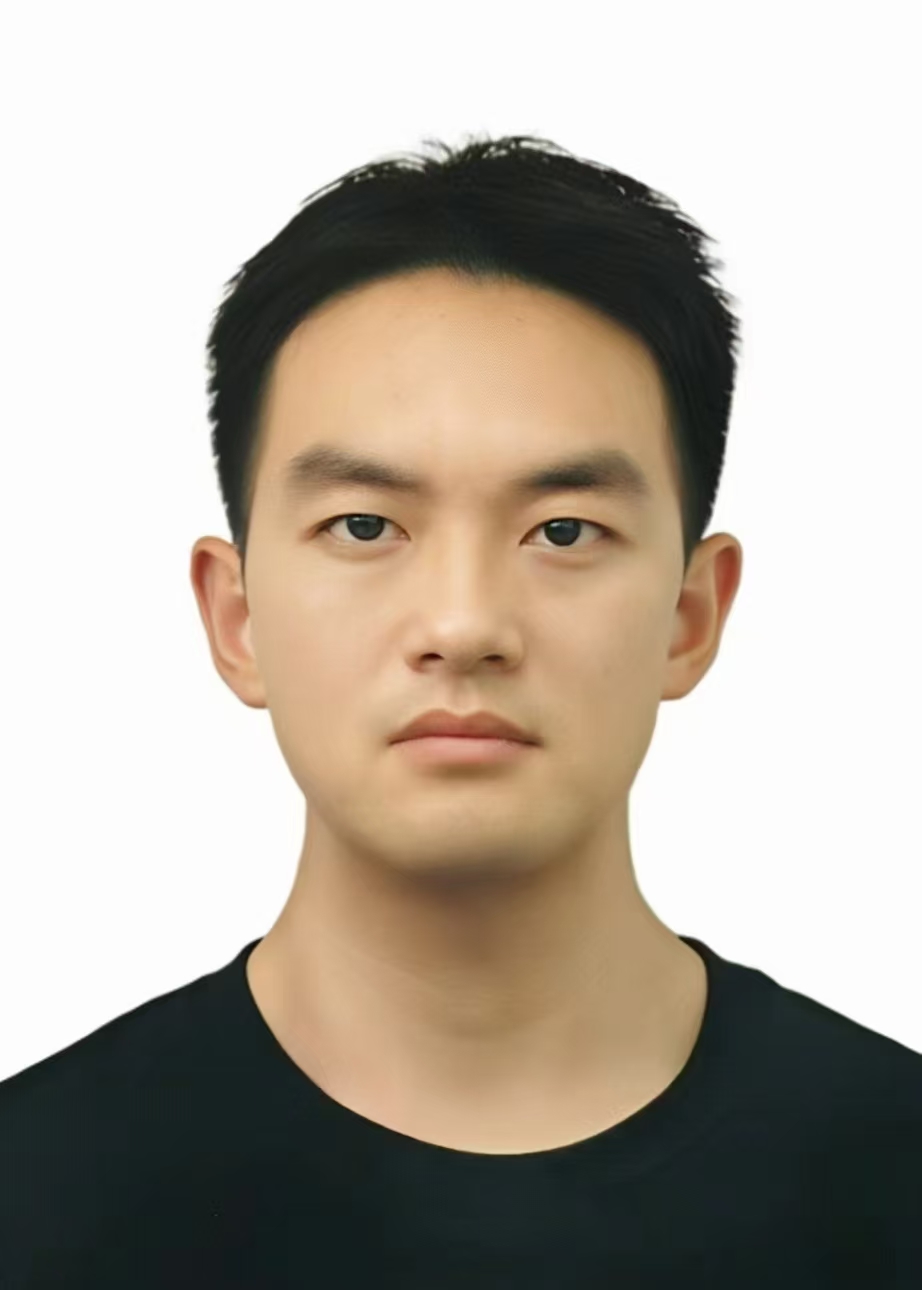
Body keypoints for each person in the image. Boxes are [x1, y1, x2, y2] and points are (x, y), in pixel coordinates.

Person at [2, 133, 919, 1287]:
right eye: (365, 526)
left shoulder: (890, 1178)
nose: (464, 621)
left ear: (690, 615)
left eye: (563, 531)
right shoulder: (34, 1198)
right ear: (237, 618)